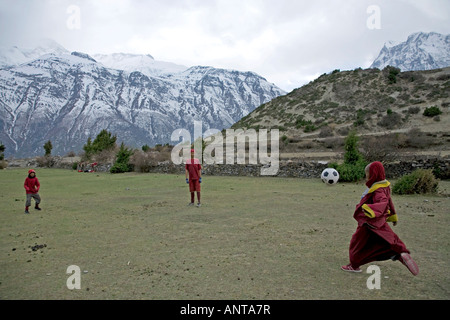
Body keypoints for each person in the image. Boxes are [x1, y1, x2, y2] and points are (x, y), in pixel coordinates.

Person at [341, 161, 419, 276]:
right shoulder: (384, 186)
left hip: (369, 222)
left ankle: (354, 265)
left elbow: (382, 202)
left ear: (374, 174)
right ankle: (400, 254)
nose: (366, 177)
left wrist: (370, 209)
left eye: (368, 174)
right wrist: (393, 215)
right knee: (388, 240)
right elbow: (389, 202)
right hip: (379, 222)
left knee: (356, 244)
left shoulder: (378, 190)